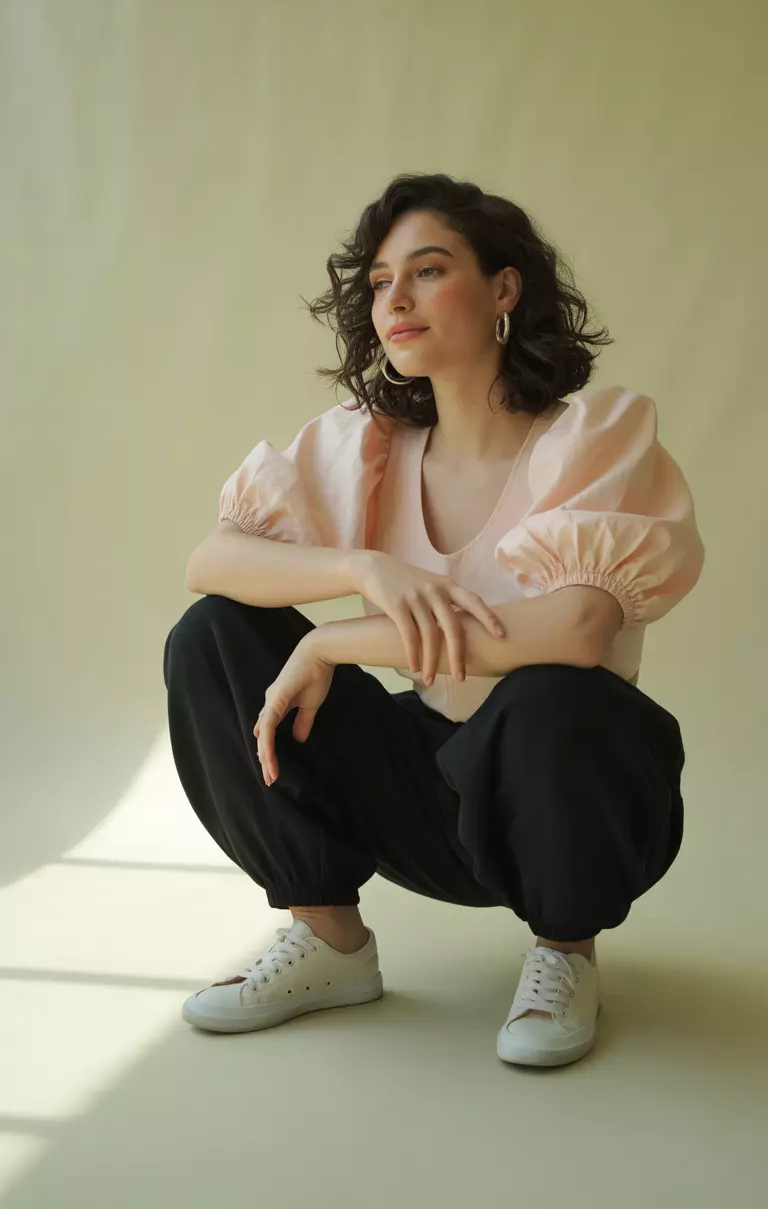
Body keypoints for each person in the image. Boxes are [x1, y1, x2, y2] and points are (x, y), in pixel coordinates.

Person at [163, 172, 705, 1068]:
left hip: (564, 795)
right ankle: (330, 941)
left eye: (427, 271)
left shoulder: (595, 436)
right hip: (423, 787)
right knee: (212, 636)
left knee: (552, 697)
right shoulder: (368, 446)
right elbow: (208, 563)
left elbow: (572, 632)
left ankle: (566, 952)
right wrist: (357, 566)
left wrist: (332, 636)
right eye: (380, 283)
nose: (396, 300)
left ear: (503, 289)